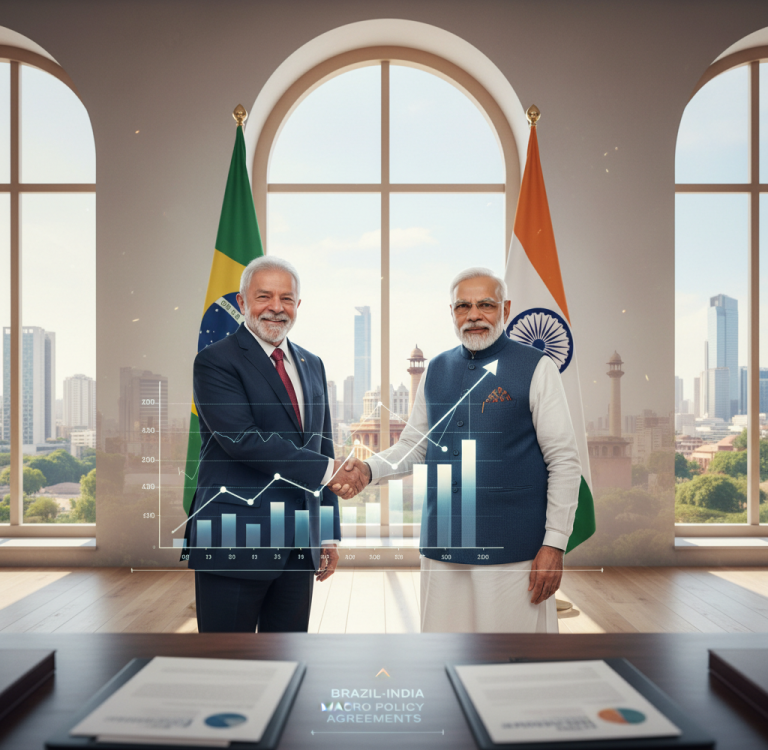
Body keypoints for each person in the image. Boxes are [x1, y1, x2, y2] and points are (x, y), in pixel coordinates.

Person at [349, 266, 581, 633]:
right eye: (463, 306)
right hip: (443, 544)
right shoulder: (435, 369)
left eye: (485, 305)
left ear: (505, 309)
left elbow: (564, 461)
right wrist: (367, 470)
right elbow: (415, 445)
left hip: (513, 547)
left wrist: (555, 544)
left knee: (509, 664)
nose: (474, 315)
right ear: (452, 313)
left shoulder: (538, 368)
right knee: (444, 656)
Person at [183, 255, 367, 632]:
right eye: (264, 296)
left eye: (286, 298)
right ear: (242, 302)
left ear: (298, 305)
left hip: (299, 542)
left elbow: (322, 445)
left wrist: (327, 532)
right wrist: (331, 472)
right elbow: (242, 440)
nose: (276, 308)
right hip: (234, 537)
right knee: (228, 665)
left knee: (288, 657)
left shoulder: (312, 363)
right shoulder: (215, 362)